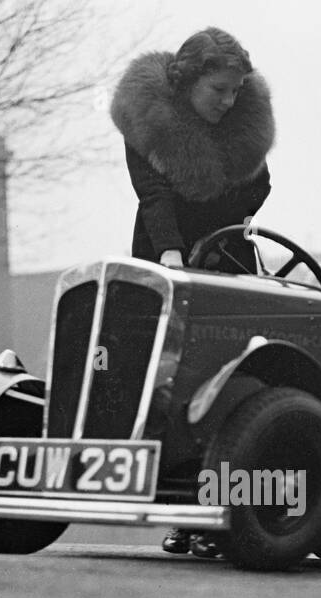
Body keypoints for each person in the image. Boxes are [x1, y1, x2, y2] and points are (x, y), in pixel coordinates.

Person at [111, 27, 275, 556]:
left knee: (230, 386)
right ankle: (183, 513)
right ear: (186, 83)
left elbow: (259, 186)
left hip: (226, 259)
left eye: (235, 91)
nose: (229, 102)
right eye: (217, 91)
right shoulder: (148, 124)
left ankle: (223, 516)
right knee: (169, 384)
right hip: (167, 257)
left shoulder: (243, 128)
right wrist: (174, 258)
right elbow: (155, 196)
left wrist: (218, 238)